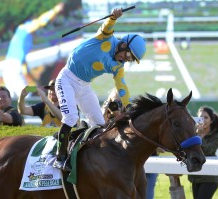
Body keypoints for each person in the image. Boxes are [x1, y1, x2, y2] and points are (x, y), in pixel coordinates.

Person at [53, 7, 147, 170]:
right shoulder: (106, 38)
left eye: (130, 59)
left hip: (84, 86)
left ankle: (90, 156)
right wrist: (113, 17)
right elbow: (107, 26)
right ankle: (60, 157)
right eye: (129, 55)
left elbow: (122, 87)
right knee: (70, 118)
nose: (126, 60)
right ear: (124, 44)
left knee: (99, 124)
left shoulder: (118, 66)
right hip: (66, 79)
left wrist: (129, 107)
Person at [188, 106, 218, 199]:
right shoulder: (193, 134)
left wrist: (199, 136)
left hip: (209, 178)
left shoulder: (217, 136)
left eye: (206, 117)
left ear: (211, 120)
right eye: (200, 117)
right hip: (195, 177)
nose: (202, 120)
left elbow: (207, 150)